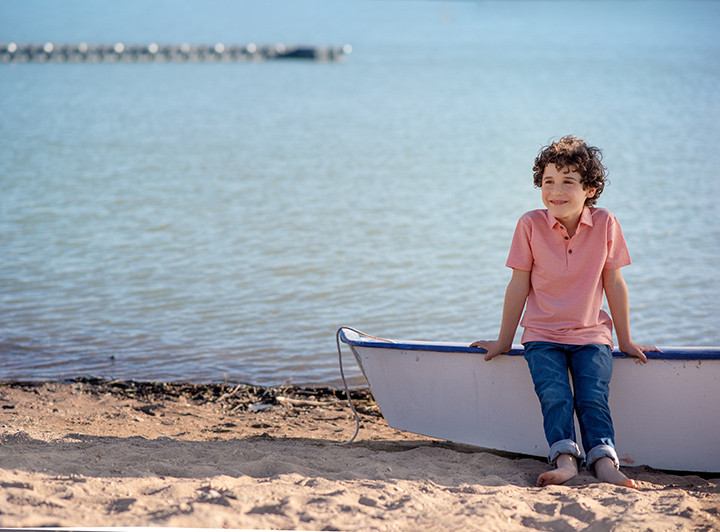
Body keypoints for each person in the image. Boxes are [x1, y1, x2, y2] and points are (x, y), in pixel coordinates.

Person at [470, 135, 659, 489]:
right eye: (548, 182)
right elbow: (518, 286)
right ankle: (565, 459)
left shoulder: (606, 224)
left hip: (591, 335)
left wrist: (627, 340)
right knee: (555, 394)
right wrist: (503, 341)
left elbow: (615, 284)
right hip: (541, 336)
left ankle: (604, 461)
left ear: (589, 189)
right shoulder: (530, 224)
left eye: (567, 182)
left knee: (592, 396)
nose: (555, 191)